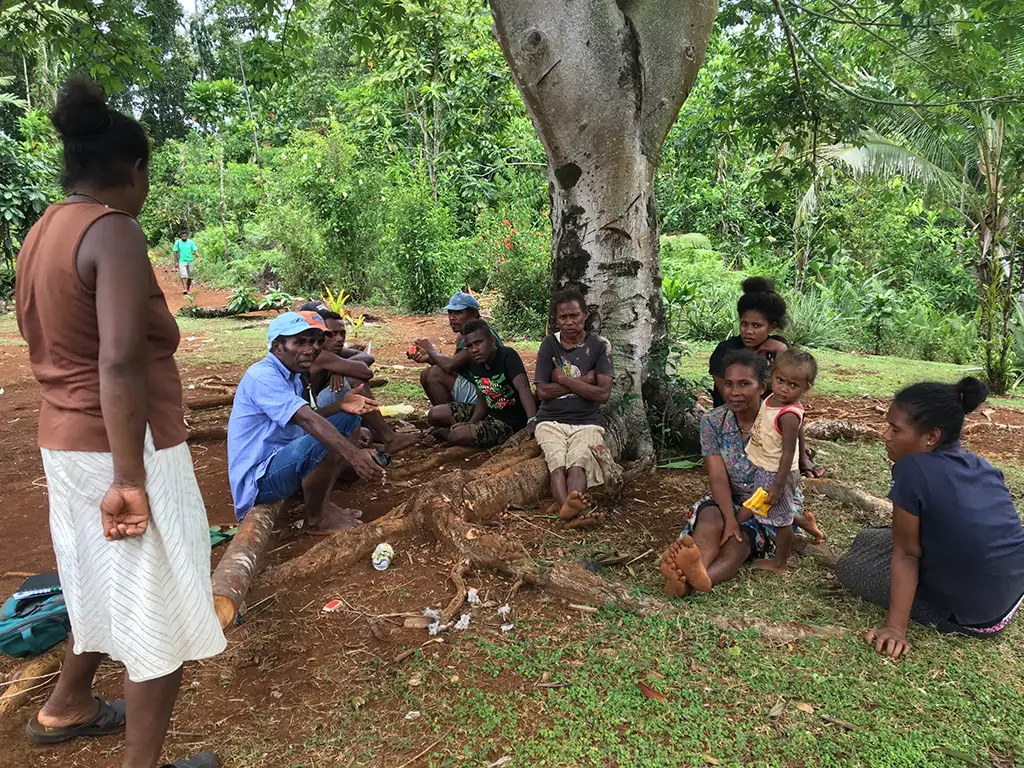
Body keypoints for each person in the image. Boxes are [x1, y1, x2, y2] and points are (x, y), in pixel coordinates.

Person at [14, 78, 223, 768]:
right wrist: (130, 478)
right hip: (120, 449)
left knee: (97, 578)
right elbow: (120, 362)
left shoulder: (41, 230)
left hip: (65, 443)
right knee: (157, 612)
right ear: (135, 170)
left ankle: (66, 703)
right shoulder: (114, 231)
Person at [836, 378, 1024, 659]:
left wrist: (895, 628)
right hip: (1010, 593)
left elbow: (908, 554)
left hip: (970, 616)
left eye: (895, 429)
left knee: (850, 566)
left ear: (931, 437)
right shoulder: (980, 464)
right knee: (870, 539)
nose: (885, 435)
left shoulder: (911, 468)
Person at [660, 350, 822, 597]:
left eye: (744, 384)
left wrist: (737, 523)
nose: (734, 392)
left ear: (762, 386)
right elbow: (717, 477)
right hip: (729, 495)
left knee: (741, 539)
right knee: (711, 520)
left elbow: (785, 465)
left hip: (769, 496)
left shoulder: (777, 418)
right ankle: (694, 567)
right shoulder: (713, 422)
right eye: (728, 384)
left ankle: (693, 583)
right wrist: (729, 517)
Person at [227, 312, 384, 532]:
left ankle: (322, 503)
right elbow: (307, 420)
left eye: (312, 342)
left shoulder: (291, 375)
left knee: (347, 418)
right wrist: (353, 455)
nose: (309, 350)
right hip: (259, 479)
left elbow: (306, 418)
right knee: (324, 439)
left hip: (281, 459)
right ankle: (316, 519)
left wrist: (340, 406)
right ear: (277, 346)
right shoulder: (263, 377)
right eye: (299, 342)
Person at [708, 277, 822, 478]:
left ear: (771, 327)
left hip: (769, 411)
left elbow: (791, 381)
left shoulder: (777, 347)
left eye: (757, 326)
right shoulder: (725, 351)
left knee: (790, 410)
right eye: (744, 324)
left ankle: (802, 457)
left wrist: (783, 350)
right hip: (734, 413)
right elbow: (728, 395)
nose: (748, 331)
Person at [533, 289, 613, 529]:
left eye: (574, 316)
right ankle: (572, 514)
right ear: (556, 320)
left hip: (587, 420)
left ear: (585, 316)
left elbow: (603, 394)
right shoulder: (549, 344)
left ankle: (569, 513)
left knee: (578, 461)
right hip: (550, 420)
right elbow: (542, 392)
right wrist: (585, 382)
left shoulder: (599, 346)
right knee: (557, 463)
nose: (568, 322)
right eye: (562, 317)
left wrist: (565, 380)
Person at [300, 303, 419, 454]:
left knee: (366, 434)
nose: (339, 339)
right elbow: (366, 372)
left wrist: (339, 368)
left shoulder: (331, 352)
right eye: (331, 334)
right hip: (314, 412)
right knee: (355, 380)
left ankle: (373, 434)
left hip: (319, 409)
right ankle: (388, 438)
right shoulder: (321, 354)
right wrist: (340, 367)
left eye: (342, 333)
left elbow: (367, 357)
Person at [742, 349, 817, 574]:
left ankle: (780, 562)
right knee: (765, 508)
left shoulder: (788, 414)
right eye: (780, 380)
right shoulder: (772, 399)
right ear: (772, 375)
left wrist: (777, 486)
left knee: (780, 520)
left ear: (807, 387)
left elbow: (787, 453)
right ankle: (802, 521)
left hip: (777, 473)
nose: (784, 388)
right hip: (766, 466)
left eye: (793, 385)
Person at [427, 319, 536, 447]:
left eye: (478, 343)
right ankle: (458, 431)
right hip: (489, 413)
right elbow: (482, 396)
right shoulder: (475, 361)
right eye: (469, 346)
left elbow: (524, 388)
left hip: (508, 422)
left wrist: (532, 420)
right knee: (435, 414)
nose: (474, 349)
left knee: (457, 436)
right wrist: (472, 422)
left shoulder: (507, 356)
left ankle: (447, 434)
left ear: (491, 340)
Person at [410, 291, 503, 406]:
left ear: (474, 314)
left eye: (458, 313)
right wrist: (429, 358)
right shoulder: (463, 336)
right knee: (427, 373)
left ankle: (454, 417)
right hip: (480, 389)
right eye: (450, 313)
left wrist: (430, 349)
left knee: (433, 374)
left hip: (492, 394)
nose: (452, 318)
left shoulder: (480, 336)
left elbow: (450, 366)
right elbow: (457, 367)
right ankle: (453, 415)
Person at [172, 231, 199, 295]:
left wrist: (198, 256)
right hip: (182, 261)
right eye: (182, 236)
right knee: (183, 275)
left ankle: (188, 288)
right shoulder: (177, 242)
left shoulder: (190, 242)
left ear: (187, 236)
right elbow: (175, 252)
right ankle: (185, 289)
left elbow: (195, 250)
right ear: (180, 237)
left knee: (190, 276)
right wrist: (176, 262)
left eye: (185, 236)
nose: (184, 237)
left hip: (190, 261)